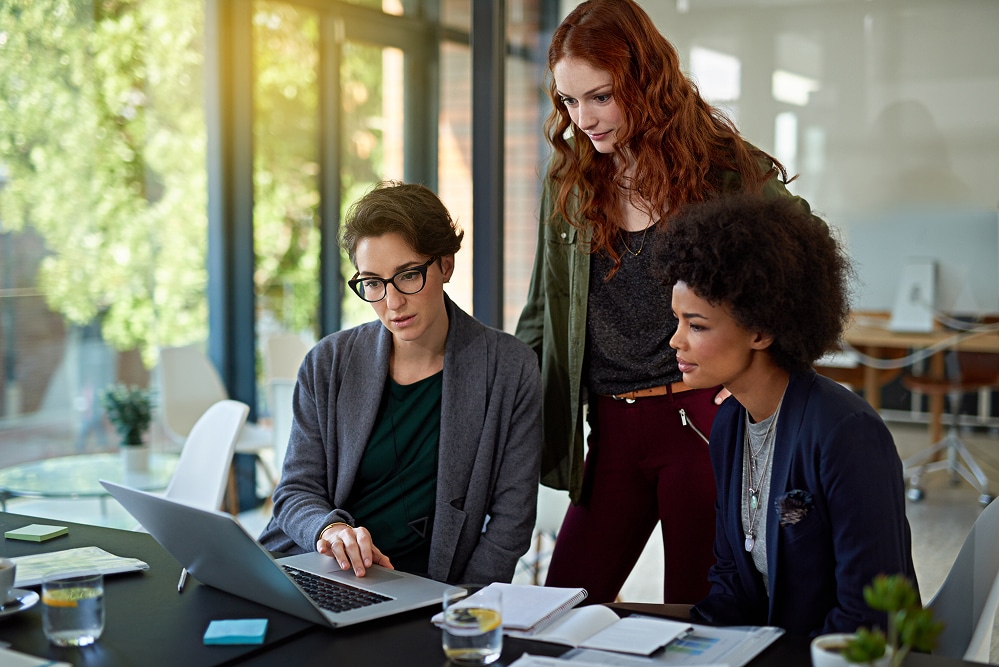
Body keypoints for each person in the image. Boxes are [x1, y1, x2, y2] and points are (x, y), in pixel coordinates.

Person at [515, 0, 814, 604]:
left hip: (699, 421)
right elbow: (544, 310)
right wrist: (507, 400)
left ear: (644, 80)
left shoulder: (725, 171)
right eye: (570, 102)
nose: (584, 120)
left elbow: (807, 266)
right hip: (610, 427)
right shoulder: (571, 177)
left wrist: (765, 369)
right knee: (559, 605)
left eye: (600, 97)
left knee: (697, 616)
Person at [658, 193, 917, 637]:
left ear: (761, 330)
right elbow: (731, 583)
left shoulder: (846, 434)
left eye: (696, 325)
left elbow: (872, 617)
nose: (675, 342)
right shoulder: (728, 426)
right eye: (678, 321)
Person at [259, 181, 542, 586]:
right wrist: (329, 531)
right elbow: (295, 492)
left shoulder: (509, 369)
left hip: (426, 590)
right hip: (314, 570)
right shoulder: (328, 362)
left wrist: (459, 604)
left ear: (446, 264)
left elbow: (511, 523)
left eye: (408, 275)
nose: (392, 303)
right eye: (372, 282)